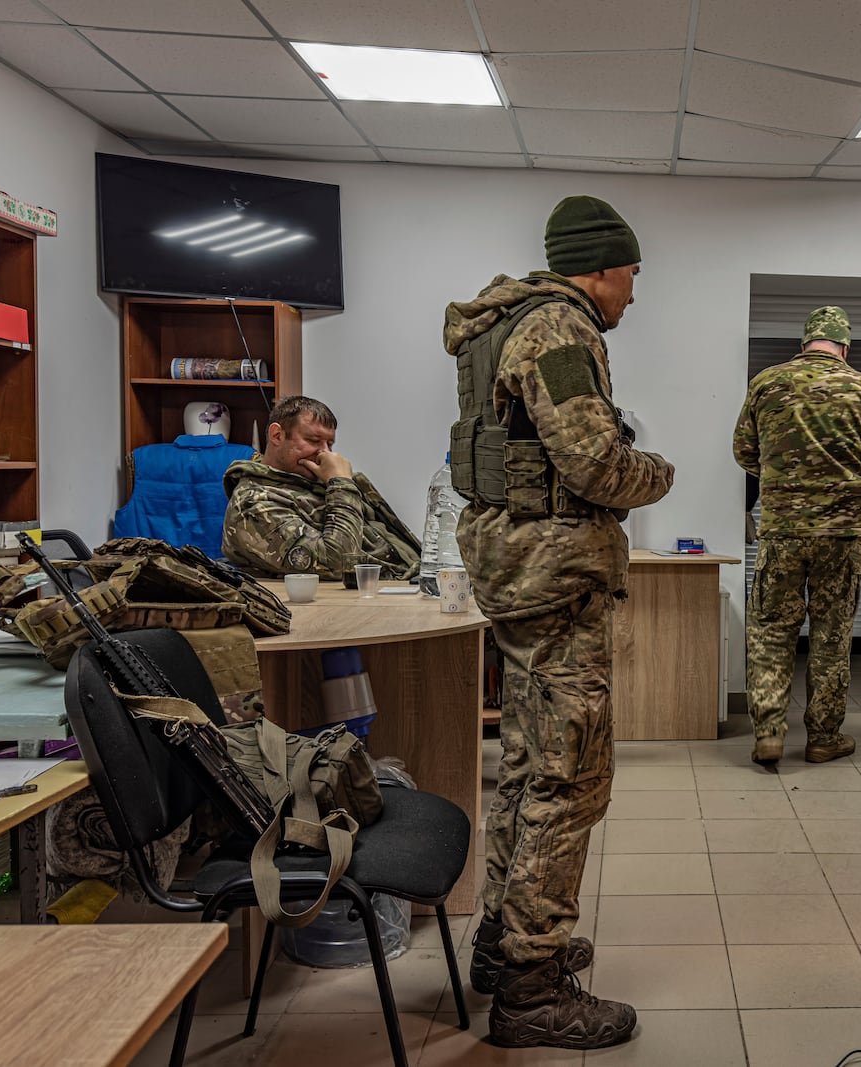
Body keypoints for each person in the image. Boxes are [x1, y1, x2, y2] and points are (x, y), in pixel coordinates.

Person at [443, 195, 674, 1049]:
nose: (633, 294)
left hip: (516, 575)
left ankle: (504, 948)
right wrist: (658, 471)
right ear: (599, 267)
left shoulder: (501, 325)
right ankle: (533, 991)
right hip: (554, 579)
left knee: (527, 763)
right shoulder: (561, 331)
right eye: (631, 275)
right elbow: (595, 463)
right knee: (569, 780)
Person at [734, 306, 861, 766]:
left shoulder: (767, 383)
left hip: (783, 529)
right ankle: (823, 737)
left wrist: (785, 482)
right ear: (845, 347)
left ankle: (769, 734)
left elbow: (744, 450)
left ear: (805, 342)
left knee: (771, 629)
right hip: (844, 533)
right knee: (831, 635)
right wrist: (847, 486)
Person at [221, 395, 419, 580]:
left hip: (412, 580)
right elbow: (339, 563)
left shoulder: (314, 482)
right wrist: (341, 484)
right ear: (277, 436)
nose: (325, 453)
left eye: (329, 444)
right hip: (369, 597)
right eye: (314, 441)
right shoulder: (253, 504)